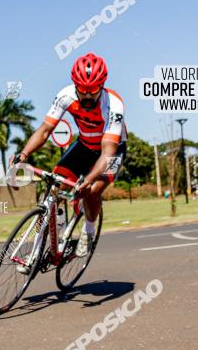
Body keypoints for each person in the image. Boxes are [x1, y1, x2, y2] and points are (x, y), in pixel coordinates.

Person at [11, 53, 126, 257]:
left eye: (93, 90)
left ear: (102, 85)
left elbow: (108, 150)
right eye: (83, 90)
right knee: (54, 189)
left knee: (92, 190)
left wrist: (89, 179)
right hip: (84, 144)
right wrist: (23, 153)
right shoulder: (66, 95)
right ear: (75, 85)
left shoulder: (113, 104)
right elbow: (45, 130)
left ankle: (88, 231)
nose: (88, 96)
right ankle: (38, 248)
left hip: (112, 152)